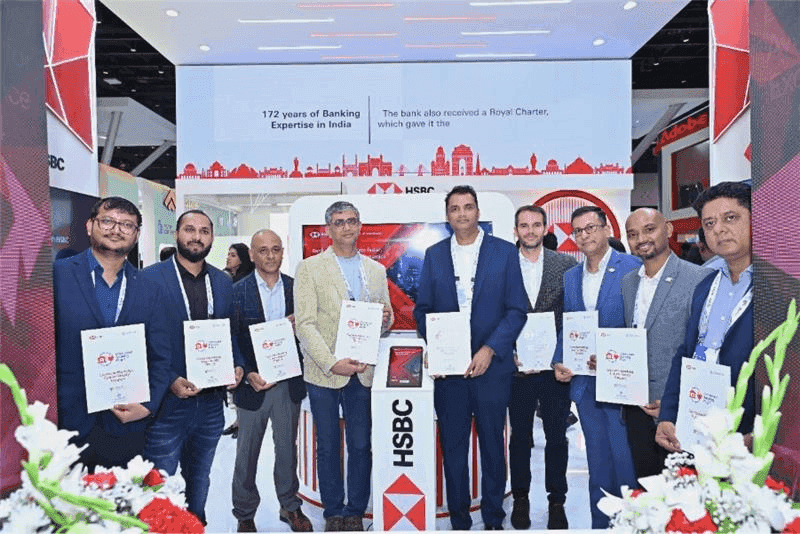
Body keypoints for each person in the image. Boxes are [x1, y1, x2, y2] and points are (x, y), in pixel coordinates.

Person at [414, 185, 528, 530]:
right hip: (450, 373)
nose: (462, 214)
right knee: (453, 449)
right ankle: (460, 520)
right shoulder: (434, 255)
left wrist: (490, 349)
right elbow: (422, 309)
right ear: (447, 216)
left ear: (478, 211)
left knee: (493, 446)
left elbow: (516, 309)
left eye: (468, 207)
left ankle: (493, 518)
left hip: (491, 368)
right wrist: (436, 347)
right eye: (455, 208)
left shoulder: (504, 252)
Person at [294, 201, 393, 532]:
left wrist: (385, 319)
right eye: (339, 222)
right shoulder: (310, 268)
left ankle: (355, 511)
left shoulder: (376, 270)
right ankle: (333, 511)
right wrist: (331, 363)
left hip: (362, 371)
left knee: (361, 445)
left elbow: (386, 318)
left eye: (351, 221)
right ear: (328, 229)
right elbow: (305, 324)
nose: (346, 227)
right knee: (328, 446)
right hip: (324, 372)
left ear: (360, 225)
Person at [53, 197, 171, 471]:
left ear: (137, 235)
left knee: (123, 497)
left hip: (126, 427)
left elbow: (161, 356)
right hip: (66, 423)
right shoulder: (56, 277)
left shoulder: (150, 288)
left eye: (127, 225)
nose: (116, 229)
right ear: (89, 226)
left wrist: (148, 405)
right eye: (107, 221)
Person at [141, 209, 238, 525]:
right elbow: (141, 339)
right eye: (190, 229)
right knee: (158, 484)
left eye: (204, 231)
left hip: (210, 405)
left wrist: (236, 365)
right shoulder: (149, 279)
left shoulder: (222, 282)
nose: (197, 237)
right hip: (167, 405)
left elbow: (231, 333)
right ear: (176, 234)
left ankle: (195, 526)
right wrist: (170, 379)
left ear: (212, 238)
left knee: (199, 480)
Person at [552, 206, 640, 529]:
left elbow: (640, 323)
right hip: (586, 384)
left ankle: (631, 524)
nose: (584, 235)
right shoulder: (571, 276)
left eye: (590, 227)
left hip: (621, 382)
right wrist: (559, 359)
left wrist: (613, 355)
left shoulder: (633, 267)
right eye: (578, 230)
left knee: (625, 462)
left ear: (606, 229)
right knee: (598, 464)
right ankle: (600, 525)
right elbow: (569, 324)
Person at [657, 182, 755, 452]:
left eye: (730, 218)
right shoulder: (705, 285)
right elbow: (687, 353)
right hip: (699, 423)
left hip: (751, 433)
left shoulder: (780, 287)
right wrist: (668, 414)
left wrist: (763, 433)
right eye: (709, 223)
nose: (718, 230)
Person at [230, 230, 312, 533]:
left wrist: (300, 329)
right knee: (247, 453)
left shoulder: (296, 288)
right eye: (263, 250)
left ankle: (289, 505)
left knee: (287, 450)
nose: (270, 255)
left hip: (287, 383)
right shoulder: (237, 291)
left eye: (276, 249)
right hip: (253, 384)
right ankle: (244, 514)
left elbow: (312, 332)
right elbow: (231, 337)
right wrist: (246, 370)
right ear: (252, 254)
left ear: (282, 252)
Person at [621, 209, 710, 479]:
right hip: (637, 407)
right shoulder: (628, 283)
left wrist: (674, 402)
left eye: (649, 229)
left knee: (683, 490)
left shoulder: (700, 279)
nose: (641, 239)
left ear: (668, 230)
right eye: (633, 234)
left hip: (679, 410)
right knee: (646, 486)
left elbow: (701, 350)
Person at [508, 205, 577, 530]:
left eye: (536, 225)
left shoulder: (566, 265)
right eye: (524, 225)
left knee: (557, 437)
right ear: (516, 230)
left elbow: (572, 315)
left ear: (545, 228)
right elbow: (495, 313)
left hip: (554, 369)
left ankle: (556, 501)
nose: (530, 231)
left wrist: (563, 355)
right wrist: (507, 352)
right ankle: (520, 498)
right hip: (517, 368)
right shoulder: (504, 265)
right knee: (520, 438)